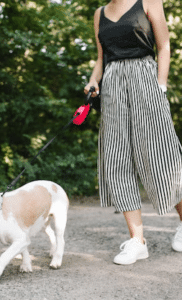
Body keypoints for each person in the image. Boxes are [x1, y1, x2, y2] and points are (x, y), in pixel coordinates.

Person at [84, 0, 182, 265]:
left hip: (145, 79)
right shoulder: (99, 14)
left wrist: (160, 87)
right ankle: (137, 241)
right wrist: (94, 80)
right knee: (116, 158)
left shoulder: (149, 1)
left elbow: (164, 47)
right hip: (113, 84)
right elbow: (101, 58)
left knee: (161, 155)